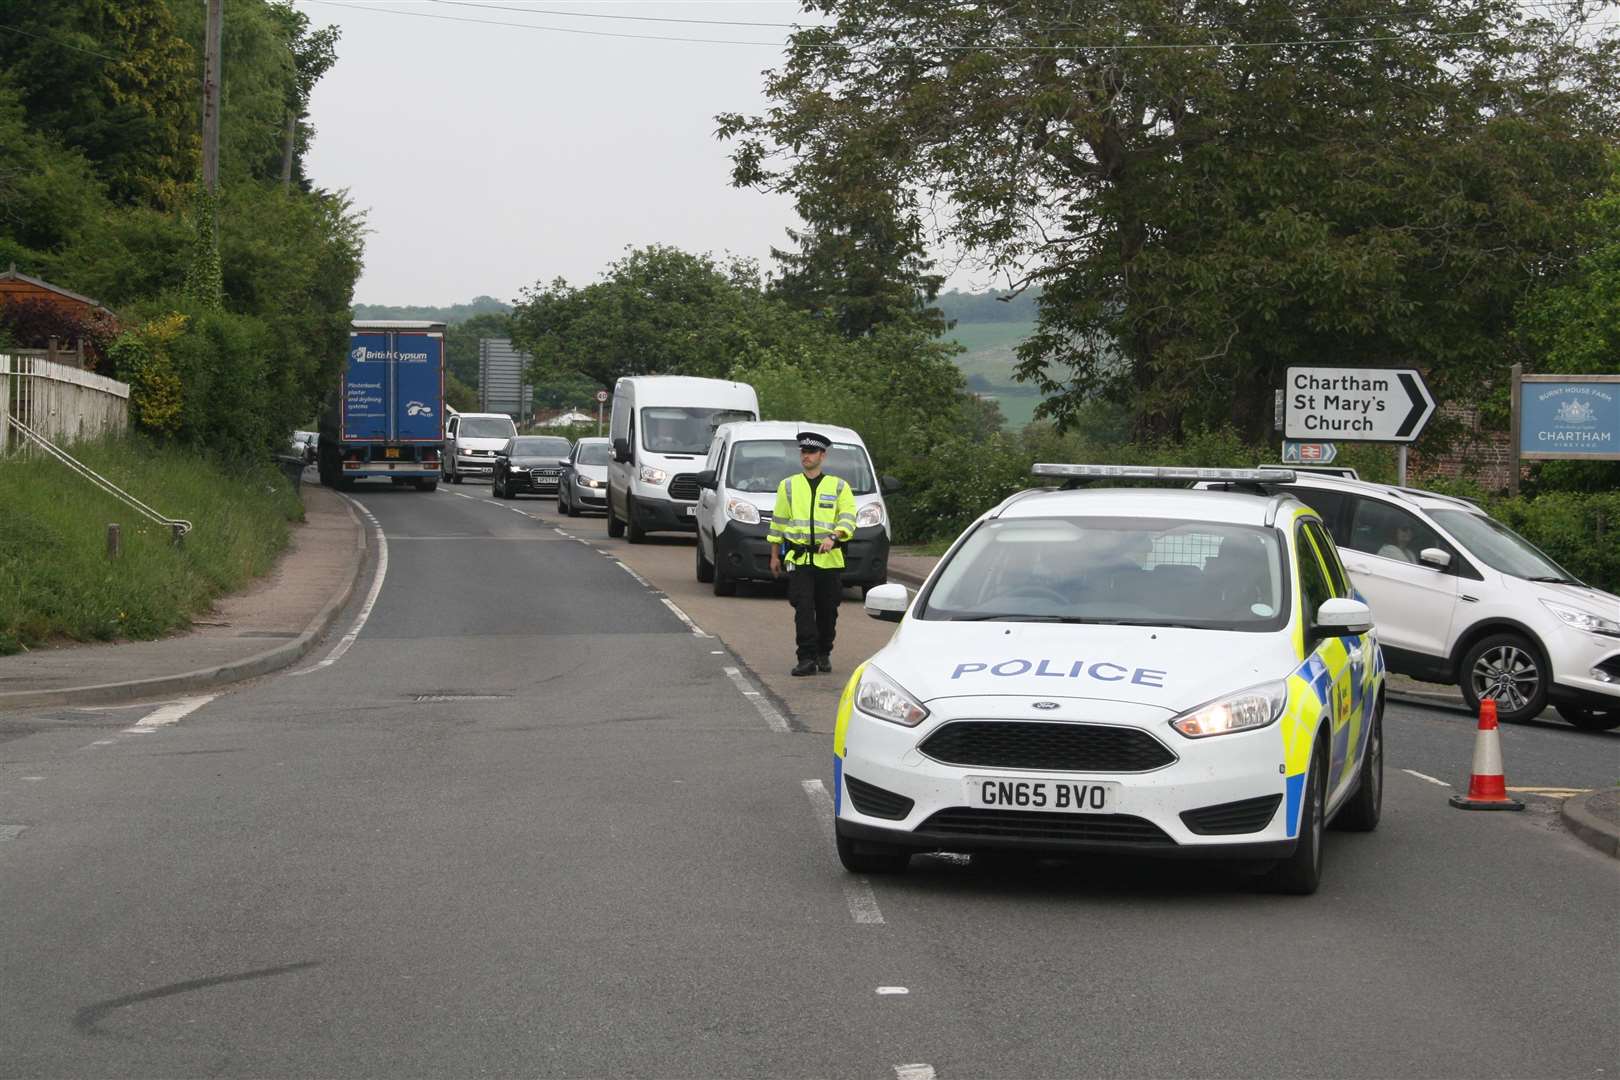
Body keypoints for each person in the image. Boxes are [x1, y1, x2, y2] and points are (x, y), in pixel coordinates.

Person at [768, 431, 858, 676]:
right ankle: (806, 658)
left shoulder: (839, 487)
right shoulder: (788, 486)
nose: (805, 456)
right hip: (799, 560)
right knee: (804, 608)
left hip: (829, 561)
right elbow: (778, 523)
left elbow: (849, 518)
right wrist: (774, 555)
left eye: (810, 452)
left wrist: (834, 536)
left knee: (828, 610)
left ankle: (823, 652)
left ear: (822, 455)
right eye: (803, 452)